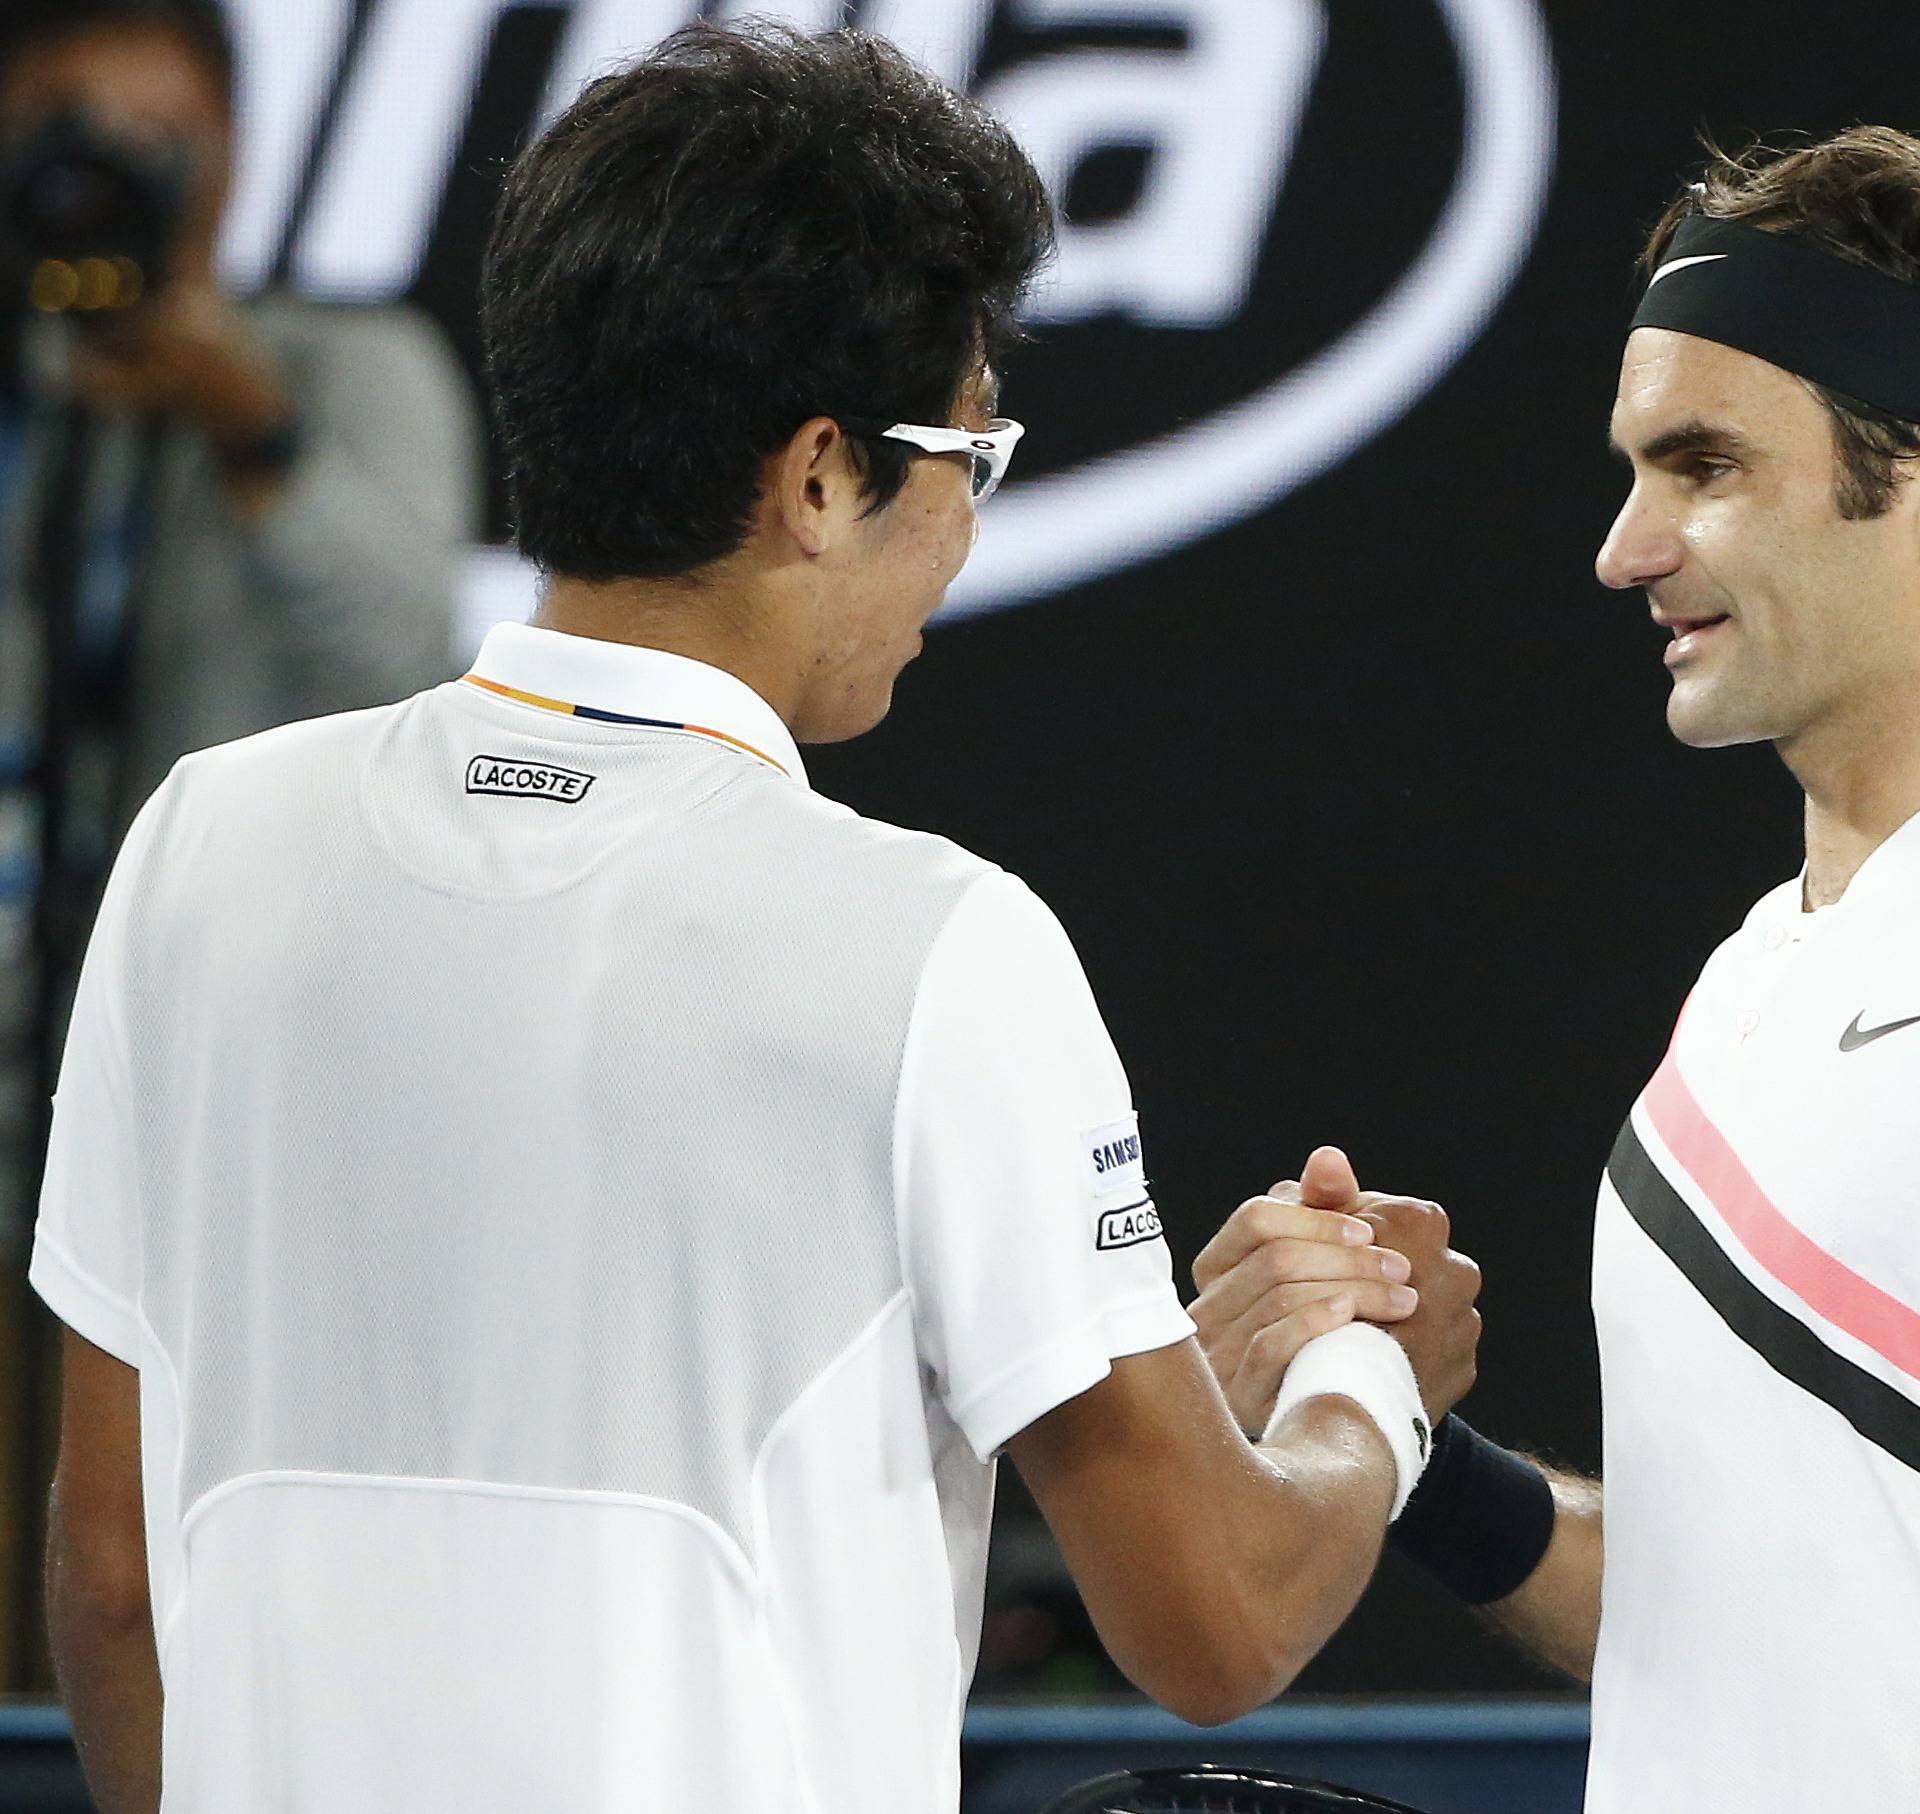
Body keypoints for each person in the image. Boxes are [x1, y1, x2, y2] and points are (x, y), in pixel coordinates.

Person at [30, 22, 1483, 1813]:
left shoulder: (200, 848)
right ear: (816, 476)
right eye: (970, 451)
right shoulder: (942, 944)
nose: (962, 523)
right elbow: (1215, 1614)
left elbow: (111, 1580)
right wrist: (1366, 1379)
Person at [1191, 127, 1920, 1811]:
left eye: (1705, 465)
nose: (1626, 546)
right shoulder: (1754, 981)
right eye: (1634, 468)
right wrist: (1406, 1445)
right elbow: (1744, 1618)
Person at [0, 0, 479, 1257]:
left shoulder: (347, 368)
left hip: (236, 1087)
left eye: (152, 134)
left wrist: (249, 424)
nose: (104, 172)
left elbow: (409, 668)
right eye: (61, 138)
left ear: (231, 147)